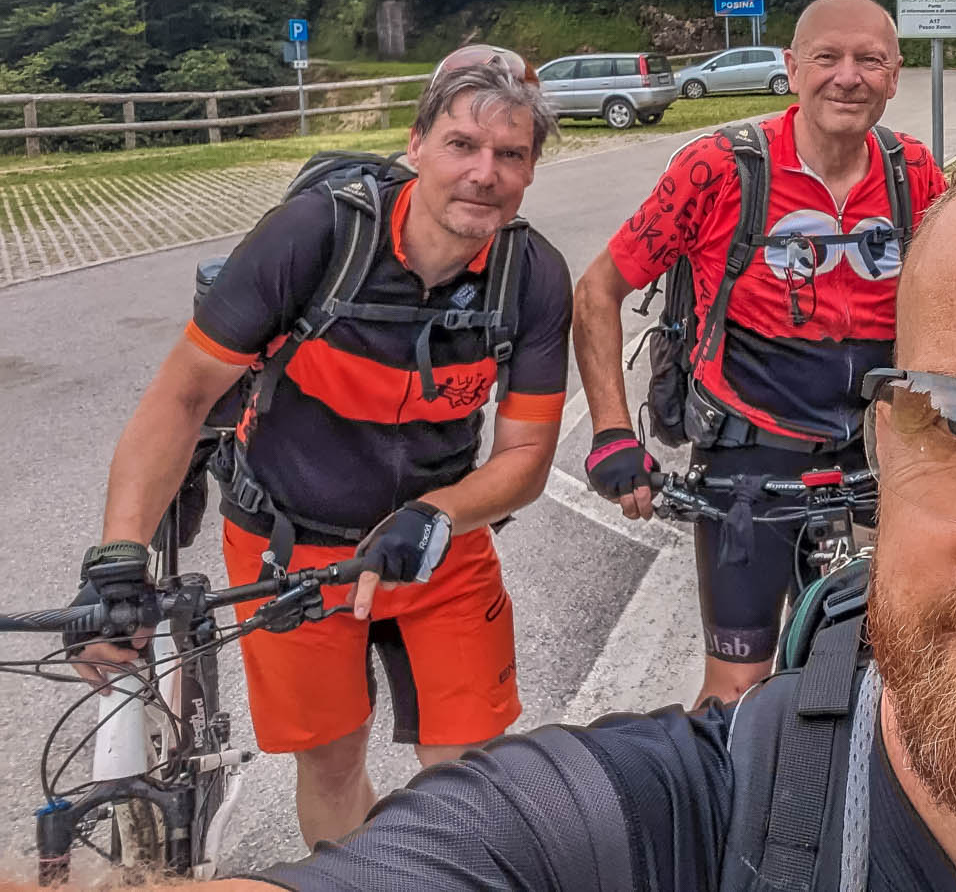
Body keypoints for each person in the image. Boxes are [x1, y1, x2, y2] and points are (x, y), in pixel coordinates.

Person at [103, 122, 956, 892]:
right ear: (891, 442)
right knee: (359, 753)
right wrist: (620, 438)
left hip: (444, 540)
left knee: (454, 736)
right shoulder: (659, 828)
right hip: (332, 530)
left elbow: (519, 448)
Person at [68, 48, 575, 848]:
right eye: (462, 145)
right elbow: (183, 396)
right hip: (288, 548)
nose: (485, 173)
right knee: (333, 764)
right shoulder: (316, 235)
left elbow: (526, 458)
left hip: (436, 546)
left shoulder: (531, 274)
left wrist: (438, 513)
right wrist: (119, 559)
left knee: (472, 775)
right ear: (417, 145)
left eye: (511, 154)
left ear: (532, 170)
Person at [572, 0, 945, 706]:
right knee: (737, 687)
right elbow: (597, 290)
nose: (848, 77)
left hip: (877, 460)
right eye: (827, 58)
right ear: (792, 68)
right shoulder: (720, 168)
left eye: (869, 60)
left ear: (895, 76)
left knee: (885, 678)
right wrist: (613, 434)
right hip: (749, 464)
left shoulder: (914, 173)